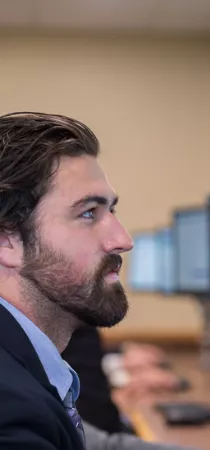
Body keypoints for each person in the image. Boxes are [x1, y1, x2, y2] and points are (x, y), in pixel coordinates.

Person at [0, 112, 133, 449]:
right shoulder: (12, 417)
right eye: (89, 213)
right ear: (7, 241)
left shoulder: (25, 368)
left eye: (111, 211)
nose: (122, 239)